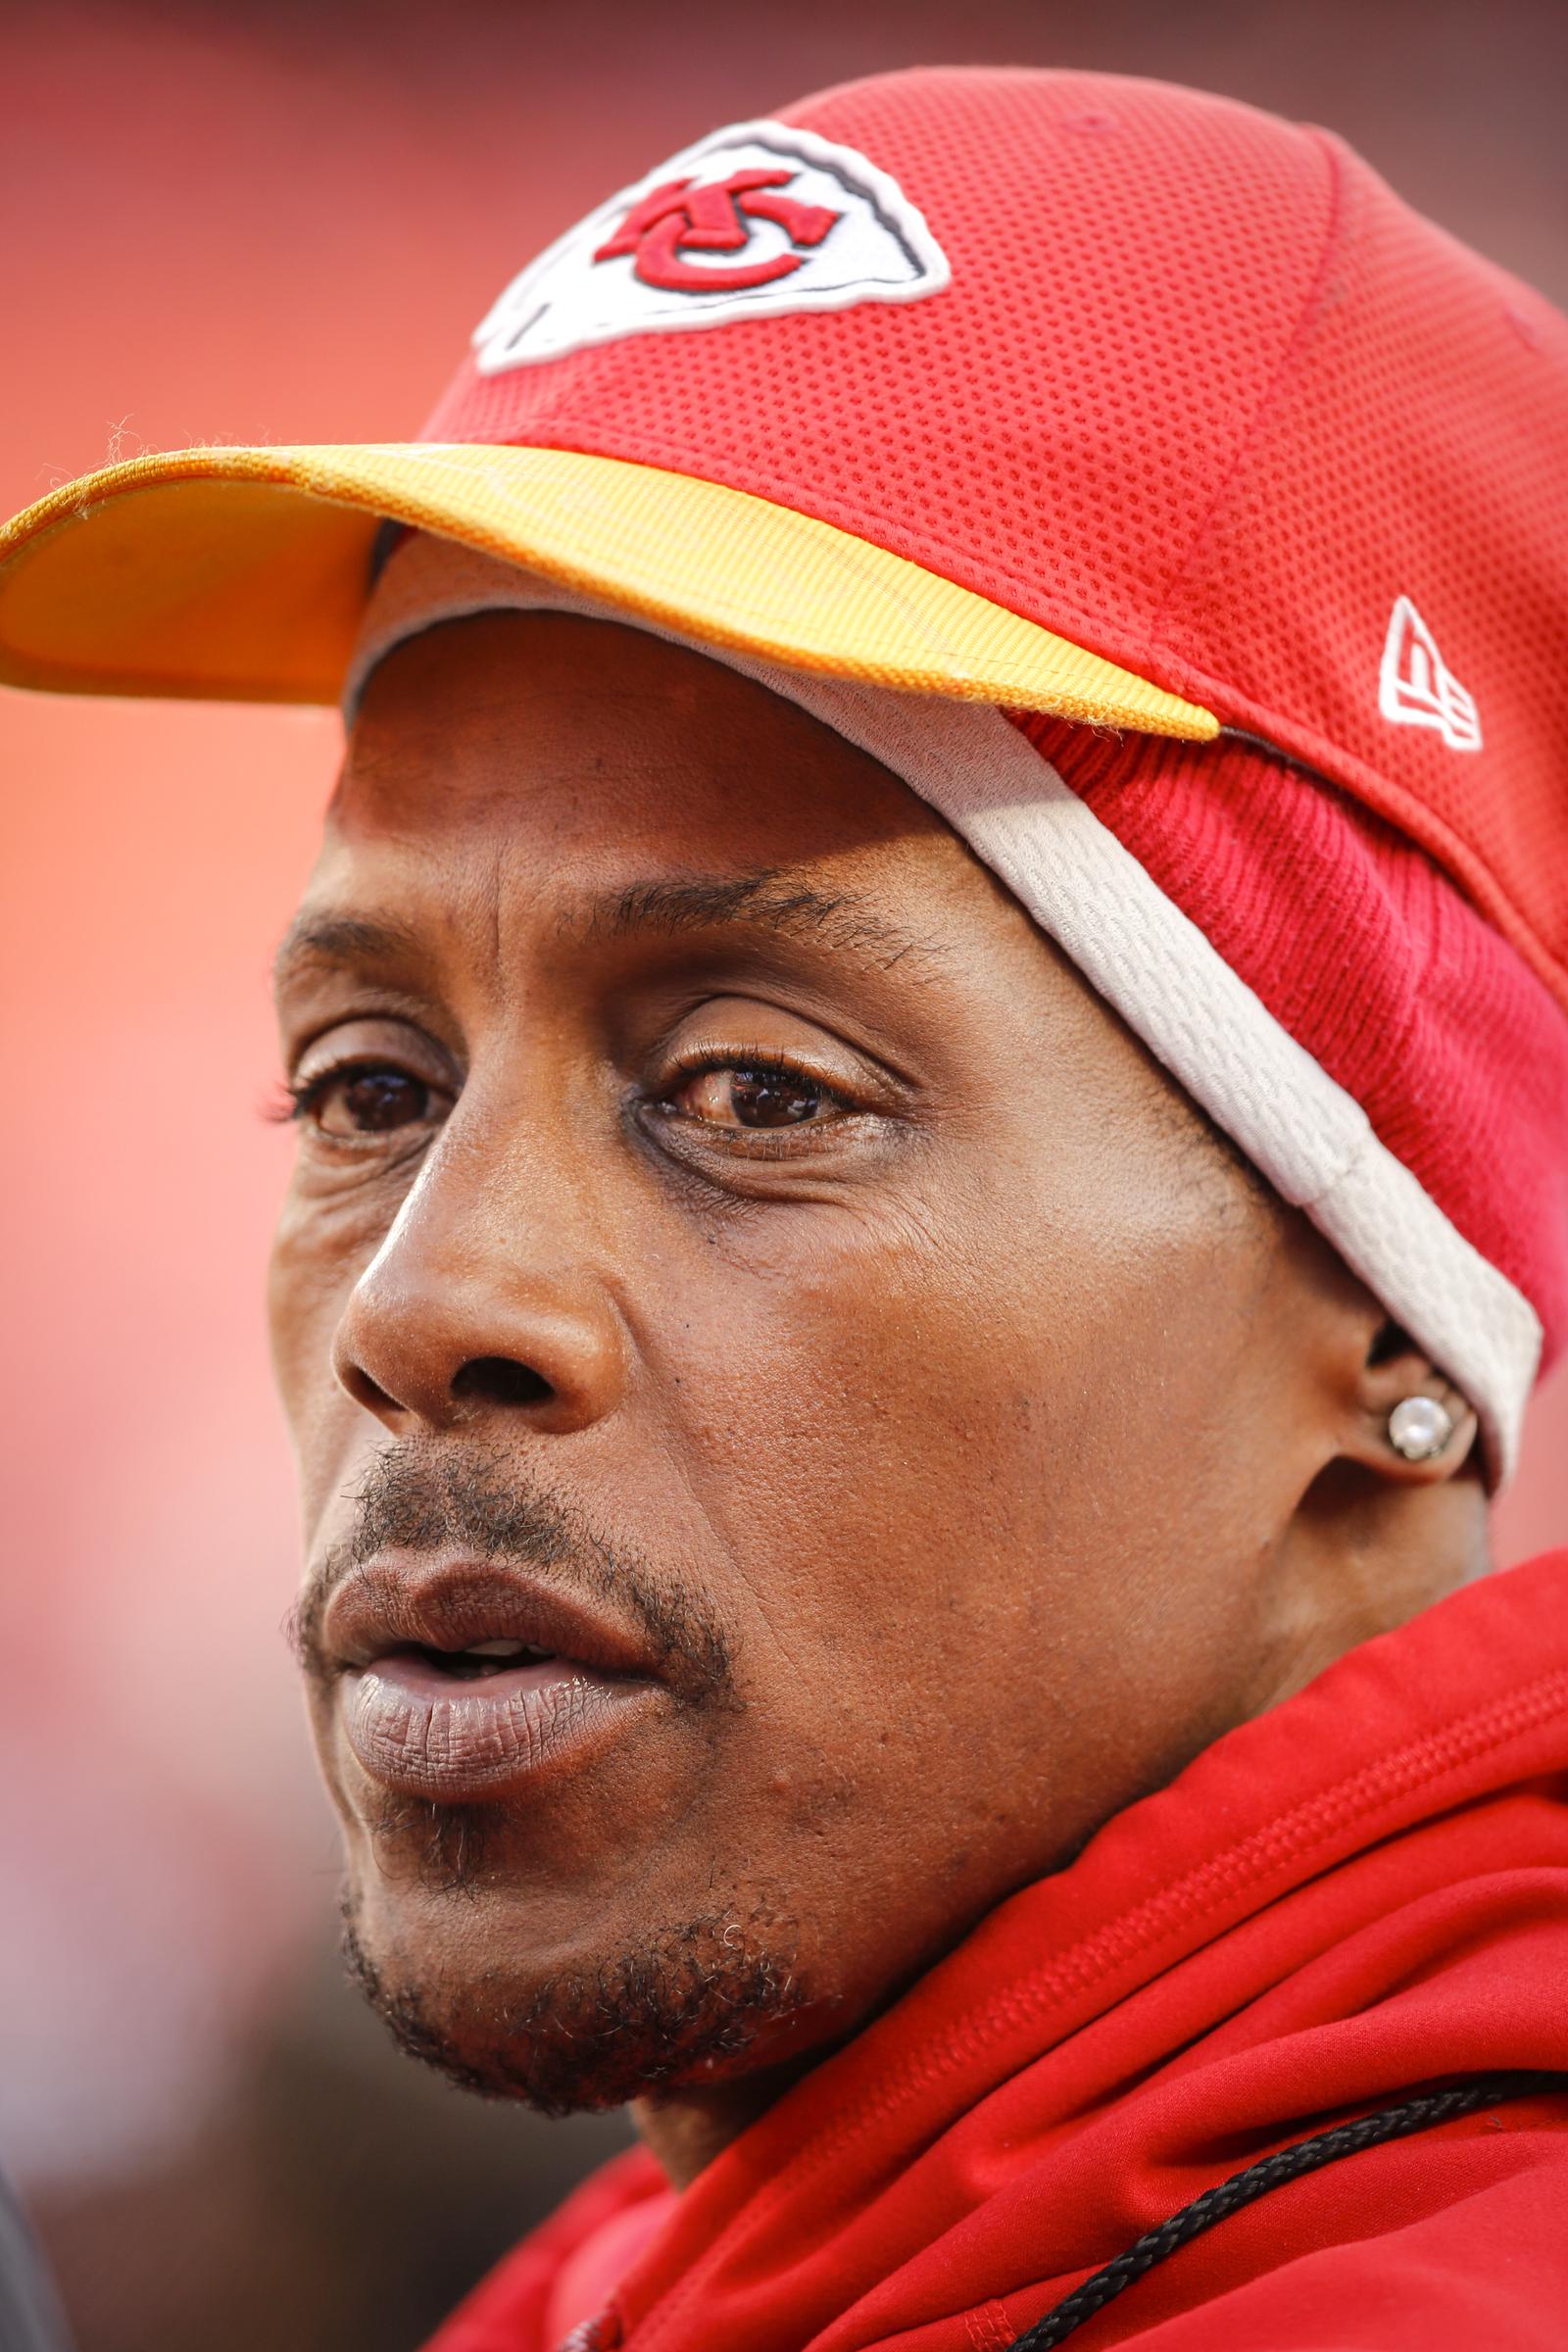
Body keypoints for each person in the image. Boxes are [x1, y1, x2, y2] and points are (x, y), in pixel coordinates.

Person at [2, 63, 1565, 2352]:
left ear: (1394, 1324)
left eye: (752, 1089)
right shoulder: (708, 2270)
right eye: (369, 1086)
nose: (429, 1301)